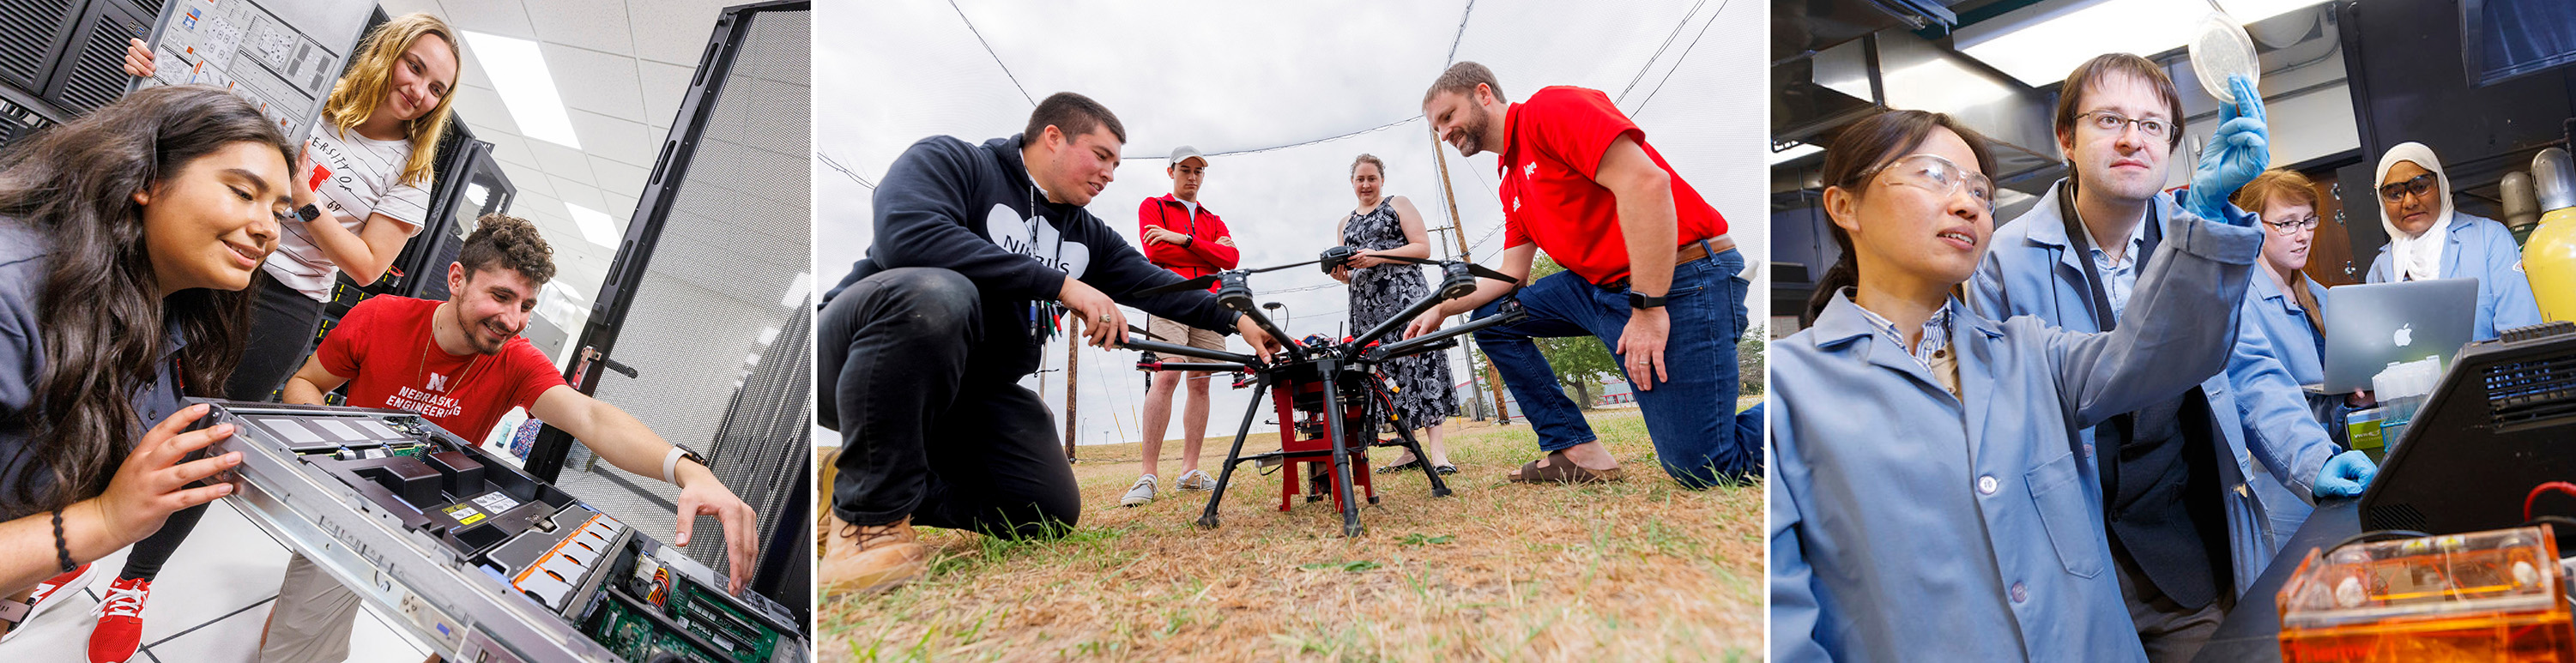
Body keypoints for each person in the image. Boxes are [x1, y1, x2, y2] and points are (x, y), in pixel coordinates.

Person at [1770, 98, 2273, 661]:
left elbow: (2166, 356)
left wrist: (2204, 226)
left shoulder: (2029, 352)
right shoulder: (1788, 389)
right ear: (1844, 205)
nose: (1966, 203)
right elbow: (1782, 627)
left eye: (1980, 191)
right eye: (1934, 176)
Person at [1966, 56, 2372, 661]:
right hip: (2077, 550)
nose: (2133, 137)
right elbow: (1998, 421)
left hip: (2190, 546)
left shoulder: (2201, 234)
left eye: (2153, 125)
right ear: (2065, 139)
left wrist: (2311, 457)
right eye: (2109, 119)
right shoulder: (2006, 259)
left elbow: (2247, 369)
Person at [816, 93, 1283, 596]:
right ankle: (867, 520)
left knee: (1046, 512)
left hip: (969, 395)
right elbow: (907, 236)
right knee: (937, 293)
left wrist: (1237, 318)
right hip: (859, 358)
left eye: (1116, 164)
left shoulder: (1088, 236)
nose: (1109, 173)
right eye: (1101, 156)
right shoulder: (953, 161)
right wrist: (1062, 285)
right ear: (1053, 137)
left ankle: (855, 478)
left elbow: (1157, 285)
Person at [252, 214, 759, 663]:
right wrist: (333, 461)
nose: (513, 320)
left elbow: (591, 419)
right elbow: (306, 383)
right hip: (359, 501)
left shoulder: (513, 358)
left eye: (526, 305)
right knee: (299, 639)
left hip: (446, 515)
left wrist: (691, 470)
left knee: (490, 644)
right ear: (457, 278)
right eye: (501, 296)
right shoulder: (380, 318)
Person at [107, 15, 460, 657]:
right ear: (387, 54)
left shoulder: (412, 170)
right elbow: (209, 124)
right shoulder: (316, 97)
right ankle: (80, 533)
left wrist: (302, 199)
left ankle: (135, 580)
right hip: (206, 260)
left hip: (285, 299)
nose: (421, 91)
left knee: (209, 439)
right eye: (416, 68)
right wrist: (159, 74)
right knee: (120, 393)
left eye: (438, 88)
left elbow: (366, 266)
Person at [0, 86, 292, 642]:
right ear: (146, 179)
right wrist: (102, 522)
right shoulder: (12, 296)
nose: (268, 229)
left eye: (279, 211)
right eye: (243, 192)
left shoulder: (167, 319)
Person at [1402, 62, 1756, 488]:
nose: (1444, 134)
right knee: (1495, 320)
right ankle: (1576, 451)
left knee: (1701, 467)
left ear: (1482, 95)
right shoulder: (1510, 179)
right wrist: (1441, 309)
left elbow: (1646, 184)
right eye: (1436, 128)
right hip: (1597, 289)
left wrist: (1647, 309)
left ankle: (1810, 397)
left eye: (1448, 116)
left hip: (1680, 277)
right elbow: (1512, 274)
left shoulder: (1549, 110)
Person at [2230, 169, 2348, 539]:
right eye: (2286, 224)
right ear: (2253, 226)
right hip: (2282, 486)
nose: (2302, 235)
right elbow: (2259, 397)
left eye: (2308, 220)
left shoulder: (2324, 298)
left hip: (2339, 463)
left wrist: (2357, 395)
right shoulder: (2239, 303)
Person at [1125, 145, 1240, 506]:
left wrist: (1185, 239)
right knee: (1167, 374)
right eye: (1185, 170)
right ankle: (1148, 474)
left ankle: (1189, 471)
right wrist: (1206, 250)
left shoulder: (1213, 217)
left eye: (1198, 172)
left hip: (1208, 302)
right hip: (1169, 297)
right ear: (1171, 171)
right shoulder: (1153, 206)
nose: (1192, 177)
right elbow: (1156, 253)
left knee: (1201, 382)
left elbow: (1231, 258)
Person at [1332, 154, 1456, 474]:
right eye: (1360, 179)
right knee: (1383, 374)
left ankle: (1438, 452)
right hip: (1366, 307)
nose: (1366, 185)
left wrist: (1377, 256)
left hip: (1405, 299)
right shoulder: (1344, 224)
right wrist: (1340, 274)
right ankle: (1408, 449)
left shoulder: (1398, 204)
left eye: (1371, 178)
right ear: (1352, 183)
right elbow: (1350, 271)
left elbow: (1422, 248)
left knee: (1419, 363)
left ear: (1382, 180)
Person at [2364, 142, 2543, 341]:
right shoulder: (2380, 270)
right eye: (2394, 193)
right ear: (2382, 201)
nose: (2409, 202)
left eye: (2420, 186)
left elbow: (2523, 336)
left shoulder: (2488, 239)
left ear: (2440, 184)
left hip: (2487, 372)